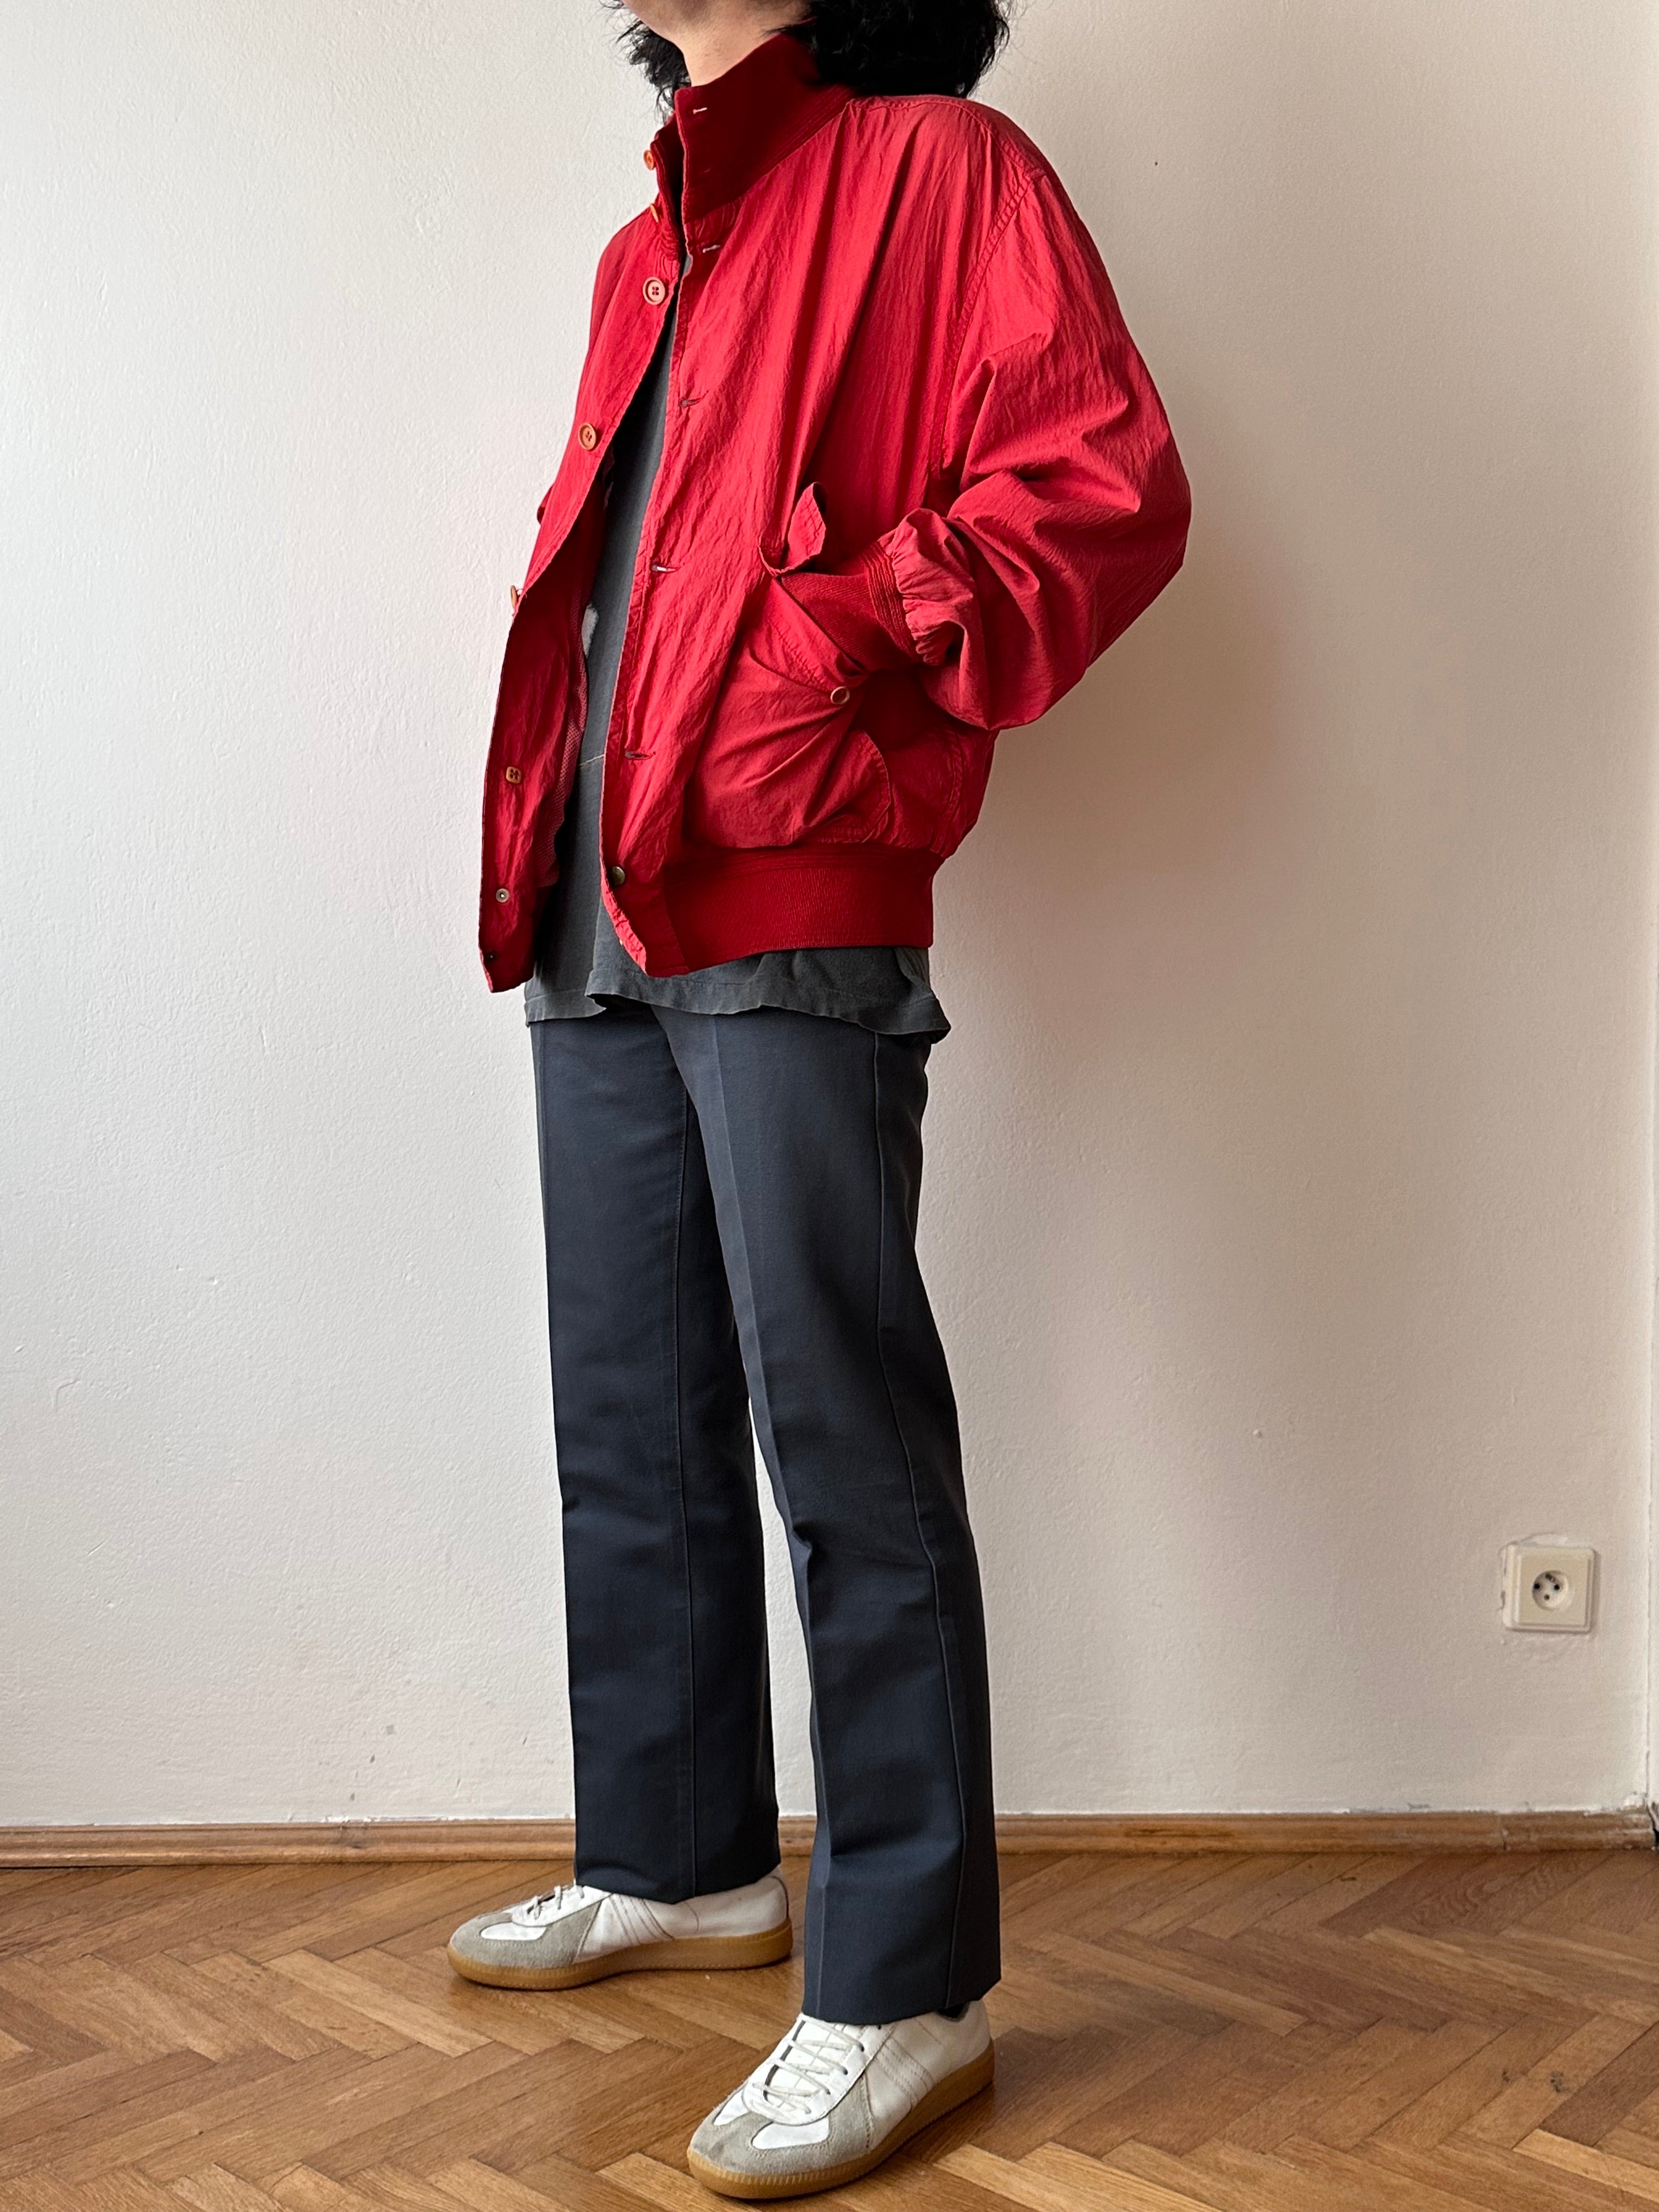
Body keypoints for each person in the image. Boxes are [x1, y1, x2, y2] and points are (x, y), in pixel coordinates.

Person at [454, 0, 1190, 2194]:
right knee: (629, 1412)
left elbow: (1101, 488)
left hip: (787, 872)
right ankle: (678, 1857)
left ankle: (907, 1984)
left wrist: (824, 646)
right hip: (598, 888)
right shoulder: (647, 245)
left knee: (841, 1436)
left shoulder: (938, 167)